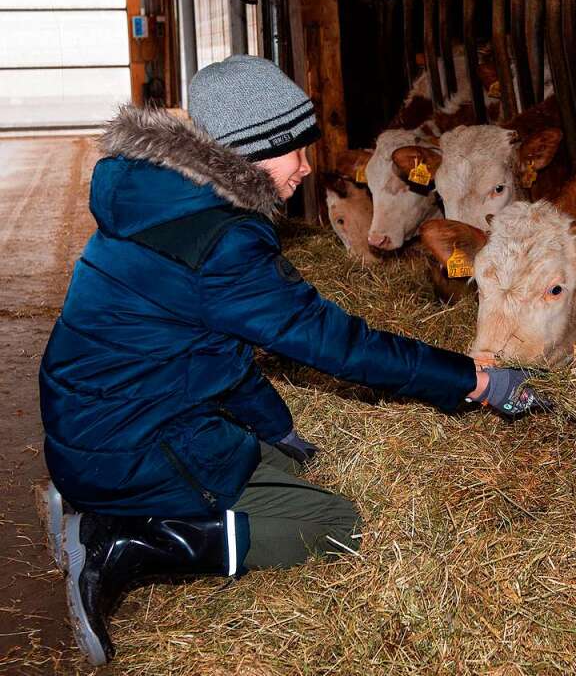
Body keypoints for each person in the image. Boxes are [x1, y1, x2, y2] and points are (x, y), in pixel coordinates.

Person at [38, 55, 545, 666]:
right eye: (291, 151)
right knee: (334, 525)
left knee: (281, 468)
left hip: (94, 423)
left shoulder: (160, 198)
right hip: (123, 444)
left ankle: (98, 500)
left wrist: (277, 428)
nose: (307, 167)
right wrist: (474, 379)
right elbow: (339, 345)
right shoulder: (221, 241)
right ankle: (132, 541)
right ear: (246, 152)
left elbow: (212, 351)